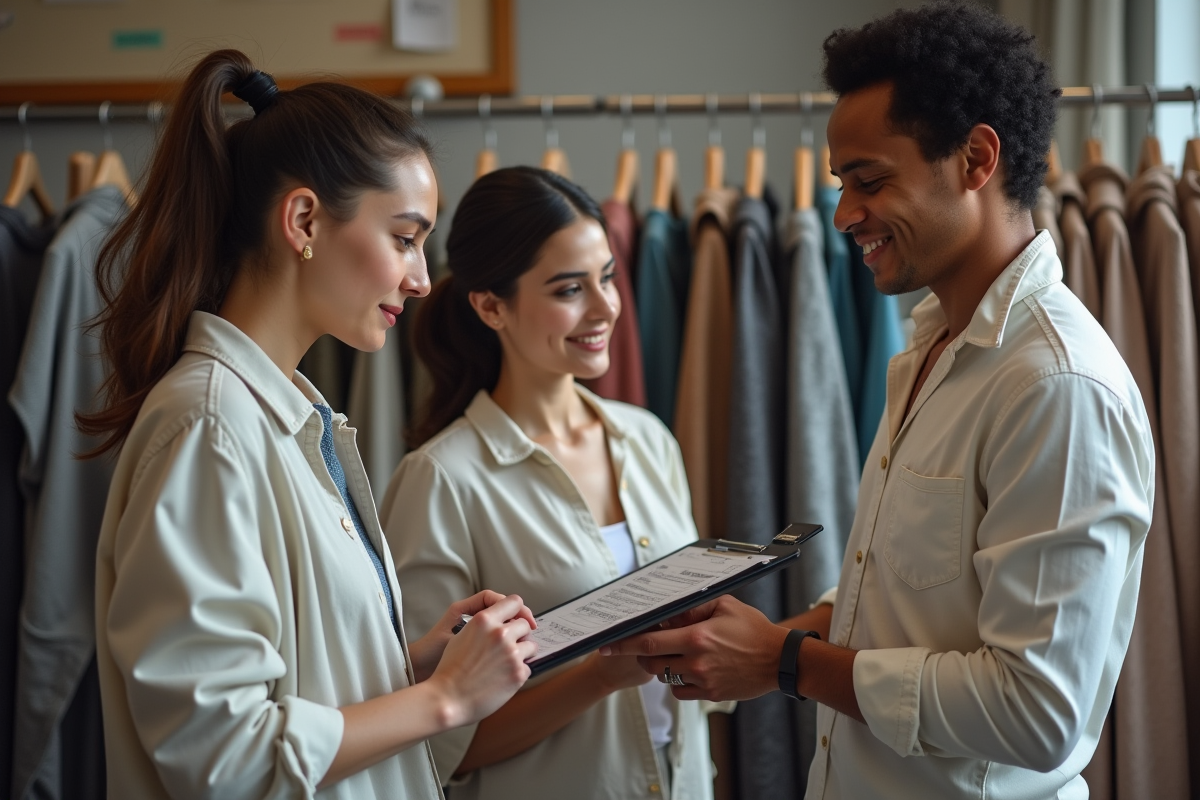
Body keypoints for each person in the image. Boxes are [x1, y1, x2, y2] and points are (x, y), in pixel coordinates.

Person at [602, 5, 1154, 799]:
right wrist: (760, 642)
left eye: (869, 180)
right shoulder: (931, 348)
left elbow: (1039, 713)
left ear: (975, 159)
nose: (842, 215)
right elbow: (904, 601)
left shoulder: (1055, 387)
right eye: (841, 184)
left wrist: (785, 663)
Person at [80, 50, 538, 800]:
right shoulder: (211, 427)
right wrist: (445, 700)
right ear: (303, 221)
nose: (423, 280)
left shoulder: (283, 418)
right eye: (404, 237)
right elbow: (220, 754)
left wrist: (413, 661)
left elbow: (292, 678)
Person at [381, 166, 724, 800]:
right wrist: (598, 676)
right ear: (490, 305)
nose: (604, 308)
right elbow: (437, 746)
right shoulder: (441, 480)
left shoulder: (648, 440)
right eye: (570, 289)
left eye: (608, 278)